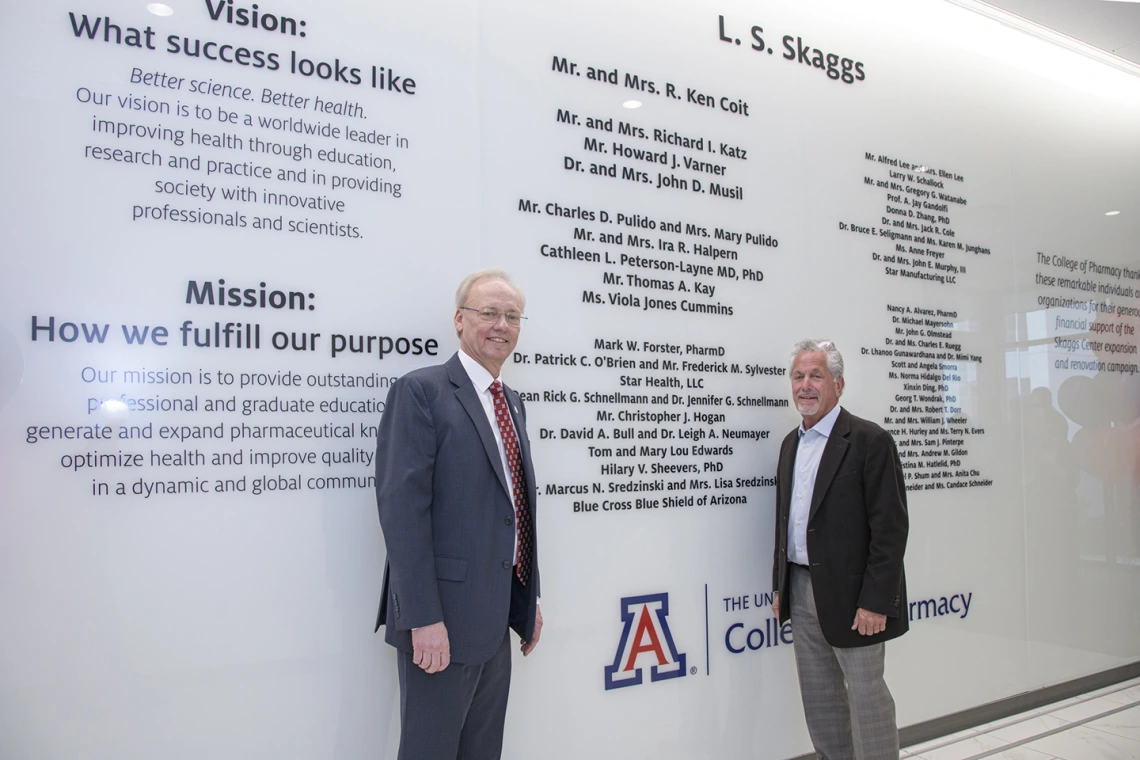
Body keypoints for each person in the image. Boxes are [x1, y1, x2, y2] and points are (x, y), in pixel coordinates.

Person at [374, 268, 541, 760]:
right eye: (488, 312)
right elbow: (402, 515)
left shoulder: (512, 402)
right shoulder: (421, 392)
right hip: (440, 626)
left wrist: (527, 598)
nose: (501, 325)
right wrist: (423, 618)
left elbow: (516, 511)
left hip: (494, 622)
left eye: (512, 316)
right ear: (459, 320)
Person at [771, 339, 908, 760]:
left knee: (867, 700)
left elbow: (890, 529)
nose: (805, 386)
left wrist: (875, 601)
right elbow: (787, 523)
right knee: (821, 701)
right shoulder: (790, 445)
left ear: (839, 384)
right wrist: (780, 587)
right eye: (798, 376)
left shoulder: (870, 441)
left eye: (816, 376)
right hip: (801, 585)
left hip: (856, 599)